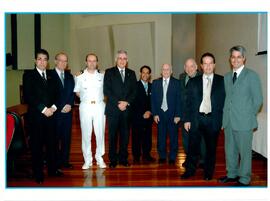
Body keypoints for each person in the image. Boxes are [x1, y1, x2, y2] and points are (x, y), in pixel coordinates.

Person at [219, 45, 263, 186]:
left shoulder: (252, 76)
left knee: (244, 153)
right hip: (229, 121)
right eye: (233, 57)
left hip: (244, 121)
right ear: (230, 59)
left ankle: (244, 178)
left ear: (244, 58)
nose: (235, 59)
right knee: (230, 150)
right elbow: (228, 99)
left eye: (239, 57)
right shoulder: (226, 77)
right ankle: (231, 174)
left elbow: (258, 100)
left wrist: (248, 115)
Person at [181, 52, 225, 180]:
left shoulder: (221, 81)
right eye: (205, 63)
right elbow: (187, 102)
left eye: (210, 63)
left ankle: (208, 173)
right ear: (201, 66)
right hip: (196, 119)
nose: (208, 66)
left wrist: (223, 120)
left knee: (211, 149)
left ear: (214, 65)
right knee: (192, 147)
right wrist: (186, 119)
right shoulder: (193, 82)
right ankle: (190, 170)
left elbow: (225, 102)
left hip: (213, 120)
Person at [23, 49, 63, 184]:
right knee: (37, 147)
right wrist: (44, 109)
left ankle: (53, 170)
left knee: (52, 145)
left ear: (47, 62)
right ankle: (38, 173)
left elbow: (58, 95)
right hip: (36, 118)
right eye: (39, 59)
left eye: (45, 59)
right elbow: (29, 96)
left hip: (51, 116)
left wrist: (53, 108)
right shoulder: (28, 75)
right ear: (35, 61)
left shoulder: (52, 75)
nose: (42, 62)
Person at [104, 50, 137, 168]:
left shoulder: (131, 73)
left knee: (125, 136)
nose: (122, 60)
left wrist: (126, 102)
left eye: (124, 58)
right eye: (120, 58)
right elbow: (106, 90)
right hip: (113, 109)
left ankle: (123, 158)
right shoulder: (109, 72)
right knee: (112, 136)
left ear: (127, 60)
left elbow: (134, 91)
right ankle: (113, 160)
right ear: (116, 60)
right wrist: (119, 103)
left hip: (127, 111)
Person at [74, 53, 106, 169]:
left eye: (94, 61)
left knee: (100, 133)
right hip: (86, 106)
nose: (92, 63)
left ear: (97, 62)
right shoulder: (79, 76)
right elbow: (77, 92)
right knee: (86, 134)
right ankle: (87, 159)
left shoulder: (102, 76)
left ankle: (99, 157)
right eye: (89, 60)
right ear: (86, 62)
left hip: (99, 106)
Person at [151, 63, 181, 165]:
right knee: (161, 137)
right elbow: (153, 100)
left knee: (173, 137)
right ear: (161, 71)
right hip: (160, 115)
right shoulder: (155, 83)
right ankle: (162, 156)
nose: (166, 71)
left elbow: (179, 100)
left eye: (168, 69)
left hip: (173, 116)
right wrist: (154, 114)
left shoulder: (177, 83)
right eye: (164, 69)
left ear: (171, 71)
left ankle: (172, 156)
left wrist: (178, 114)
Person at [179, 58, 205, 167]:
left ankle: (202, 160)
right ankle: (189, 158)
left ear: (196, 67)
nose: (189, 69)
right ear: (184, 68)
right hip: (184, 114)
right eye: (187, 66)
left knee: (200, 140)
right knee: (186, 139)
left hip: (197, 115)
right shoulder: (182, 77)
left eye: (192, 66)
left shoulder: (202, 78)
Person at [51, 52, 75, 169]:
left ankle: (65, 161)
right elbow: (49, 95)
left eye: (65, 61)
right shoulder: (49, 75)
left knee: (66, 138)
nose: (63, 63)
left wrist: (70, 104)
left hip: (68, 113)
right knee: (54, 139)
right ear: (55, 61)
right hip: (54, 113)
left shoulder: (70, 76)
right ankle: (54, 163)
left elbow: (72, 93)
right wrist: (60, 106)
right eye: (60, 60)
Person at [131, 65, 155, 164]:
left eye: (147, 73)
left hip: (148, 117)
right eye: (143, 72)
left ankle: (146, 155)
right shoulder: (134, 85)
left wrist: (149, 111)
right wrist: (142, 113)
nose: (145, 74)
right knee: (136, 137)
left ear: (149, 75)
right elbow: (132, 102)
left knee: (147, 137)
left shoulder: (152, 86)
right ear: (140, 73)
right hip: (137, 117)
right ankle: (136, 156)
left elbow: (154, 102)